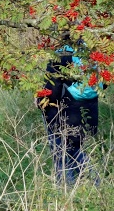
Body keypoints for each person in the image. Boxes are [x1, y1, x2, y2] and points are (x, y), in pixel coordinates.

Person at [39, 36, 101, 186]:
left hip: (66, 111)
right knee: (77, 148)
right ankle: (93, 184)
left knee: (61, 151)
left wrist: (41, 103)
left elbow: (51, 90)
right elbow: (102, 84)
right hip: (90, 109)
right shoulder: (89, 51)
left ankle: (66, 188)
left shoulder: (60, 55)